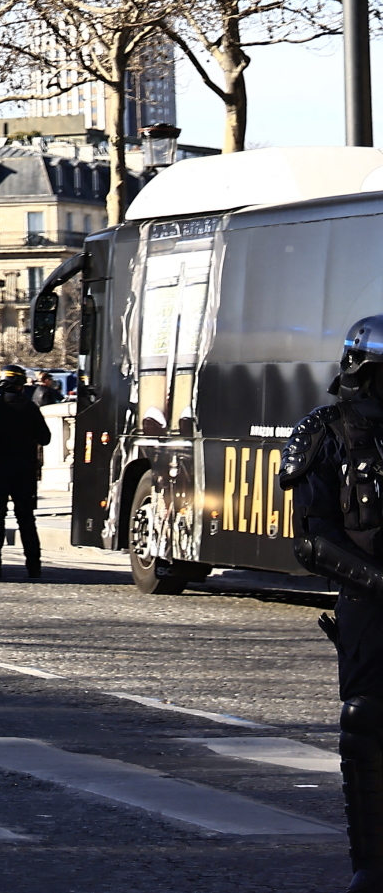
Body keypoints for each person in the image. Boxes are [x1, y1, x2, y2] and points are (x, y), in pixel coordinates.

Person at [291, 314, 383, 891]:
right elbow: (311, 539)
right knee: (369, 721)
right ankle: (372, 864)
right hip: (371, 598)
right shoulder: (326, 431)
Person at [0, 365, 51, 580]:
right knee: (26, 519)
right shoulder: (31, 409)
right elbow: (46, 438)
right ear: (21, 387)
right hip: (25, 471)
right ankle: (34, 566)